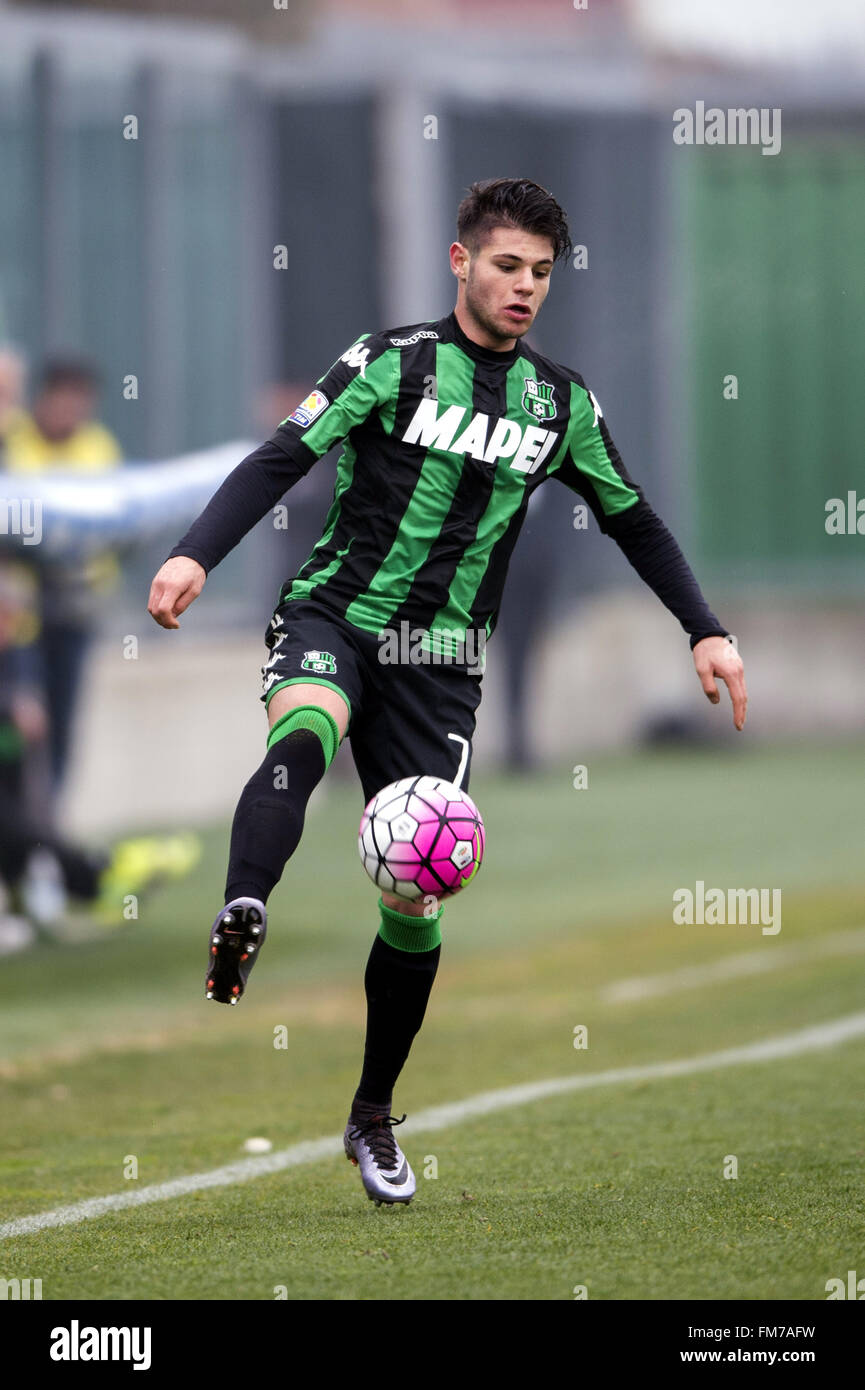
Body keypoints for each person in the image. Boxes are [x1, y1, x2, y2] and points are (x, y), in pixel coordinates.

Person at [147, 178, 747, 1207]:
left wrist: (706, 628)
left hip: (442, 665)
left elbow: (633, 518)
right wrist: (196, 555)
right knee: (303, 733)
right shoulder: (390, 363)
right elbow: (281, 456)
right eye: (507, 265)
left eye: (541, 273)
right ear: (460, 261)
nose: (524, 287)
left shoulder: (559, 405)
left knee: (416, 888)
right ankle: (246, 900)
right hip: (338, 614)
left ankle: (372, 1112)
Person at [3, 357, 122, 791]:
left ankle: (48, 830)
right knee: (22, 716)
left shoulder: (99, 447)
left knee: (62, 721)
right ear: (44, 398)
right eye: (64, 401)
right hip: (20, 616)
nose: (72, 412)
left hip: (75, 609)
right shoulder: (14, 441)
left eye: (81, 403)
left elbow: (113, 523)